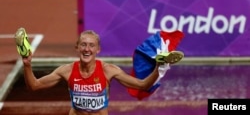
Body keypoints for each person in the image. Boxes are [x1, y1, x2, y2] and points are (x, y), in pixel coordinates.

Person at [14, 28, 183, 115]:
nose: (87, 49)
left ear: (98, 50)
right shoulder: (66, 71)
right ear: (77, 48)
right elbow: (34, 86)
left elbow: (143, 85)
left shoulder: (108, 70)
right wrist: (27, 64)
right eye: (83, 45)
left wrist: (157, 67)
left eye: (91, 45)